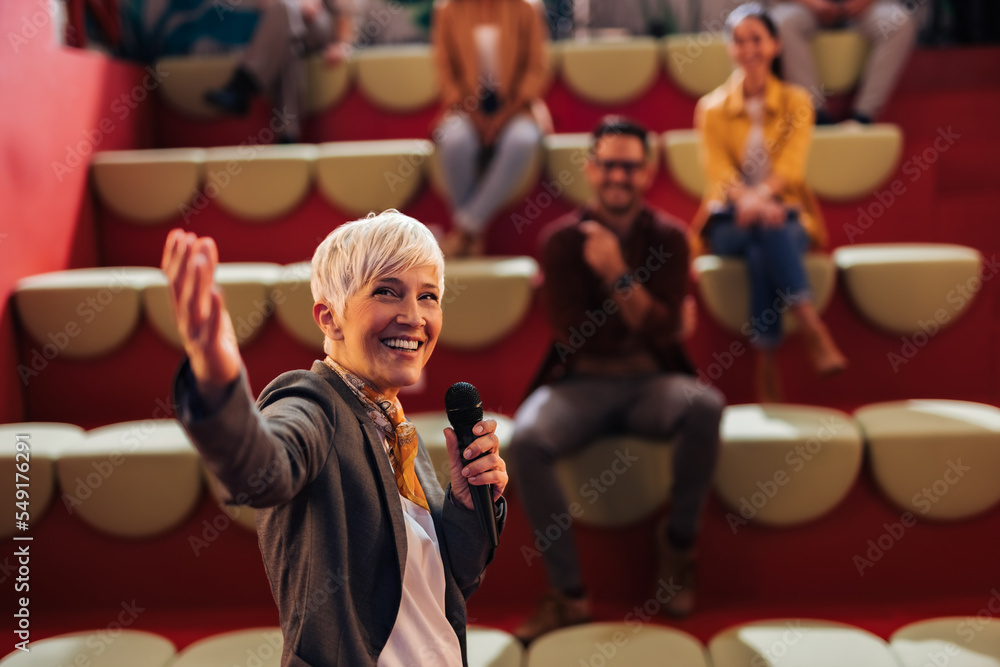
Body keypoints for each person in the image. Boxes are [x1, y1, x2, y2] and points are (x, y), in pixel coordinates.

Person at [162, 210, 508, 666]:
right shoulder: (312, 400)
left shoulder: (402, 431)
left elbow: (446, 588)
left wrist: (467, 506)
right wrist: (217, 384)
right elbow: (260, 471)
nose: (413, 316)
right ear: (330, 319)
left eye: (428, 296)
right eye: (387, 291)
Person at [508, 117, 725, 644]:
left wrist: (616, 275)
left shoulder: (672, 238)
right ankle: (569, 595)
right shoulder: (560, 242)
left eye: (630, 166)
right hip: (579, 386)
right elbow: (579, 336)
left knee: (707, 406)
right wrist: (650, 315)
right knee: (526, 438)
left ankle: (678, 549)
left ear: (647, 173)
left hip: (652, 385)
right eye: (609, 164)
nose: (619, 176)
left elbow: (662, 329)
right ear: (590, 169)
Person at [690, 2, 847, 403]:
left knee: (763, 251)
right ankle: (812, 327)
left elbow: (791, 169)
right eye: (738, 41)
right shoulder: (710, 108)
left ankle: (767, 363)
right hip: (728, 219)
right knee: (768, 227)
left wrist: (761, 202)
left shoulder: (797, 101)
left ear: (775, 44)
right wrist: (753, 203)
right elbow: (719, 173)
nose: (748, 49)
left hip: (782, 211)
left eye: (756, 39)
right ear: (730, 48)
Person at [432, 0, 552, 256]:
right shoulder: (448, 11)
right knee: (453, 141)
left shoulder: (527, 8)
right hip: (465, 108)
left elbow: (537, 67)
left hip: (518, 107)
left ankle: (466, 229)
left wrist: (503, 115)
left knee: (522, 140)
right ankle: (471, 239)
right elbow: (444, 69)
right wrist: (475, 114)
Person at [204, 0, 355, 142]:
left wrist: (342, 44)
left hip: (324, 25)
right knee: (289, 41)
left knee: (285, 10)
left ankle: (241, 85)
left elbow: (345, 10)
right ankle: (288, 135)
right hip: (291, 26)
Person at [767, 0, 917, 124]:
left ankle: (862, 117)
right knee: (783, 23)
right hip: (806, 9)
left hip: (860, 11)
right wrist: (813, 3)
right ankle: (815, 115)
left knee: (899, 22)